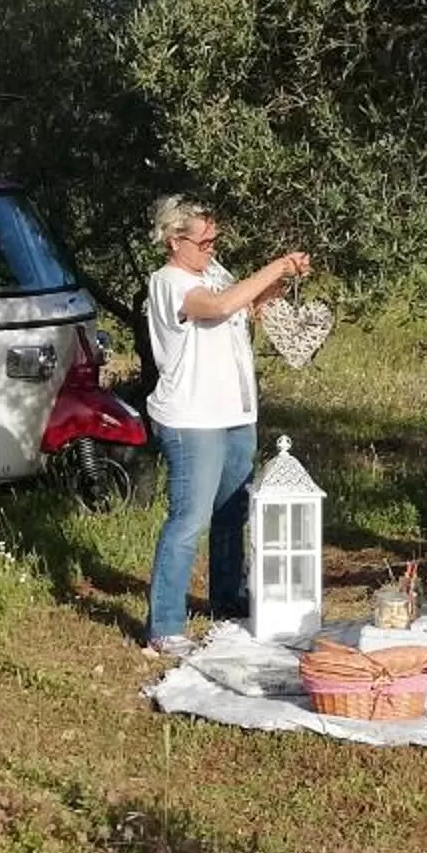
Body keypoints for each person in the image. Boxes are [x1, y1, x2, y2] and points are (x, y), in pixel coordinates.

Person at [141, 194, 312, 654]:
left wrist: (279, 284)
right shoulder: (170, 282)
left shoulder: (212, 273)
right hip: (193, 419)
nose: (212, 248)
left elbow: (243, 306)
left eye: (215, 240)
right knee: (188, 519)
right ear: (176, 241)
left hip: (235, 413)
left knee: (231, 512)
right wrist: (275, 267)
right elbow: (214, 308)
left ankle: (225, 597)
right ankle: (165, 625)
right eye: (204, 241)